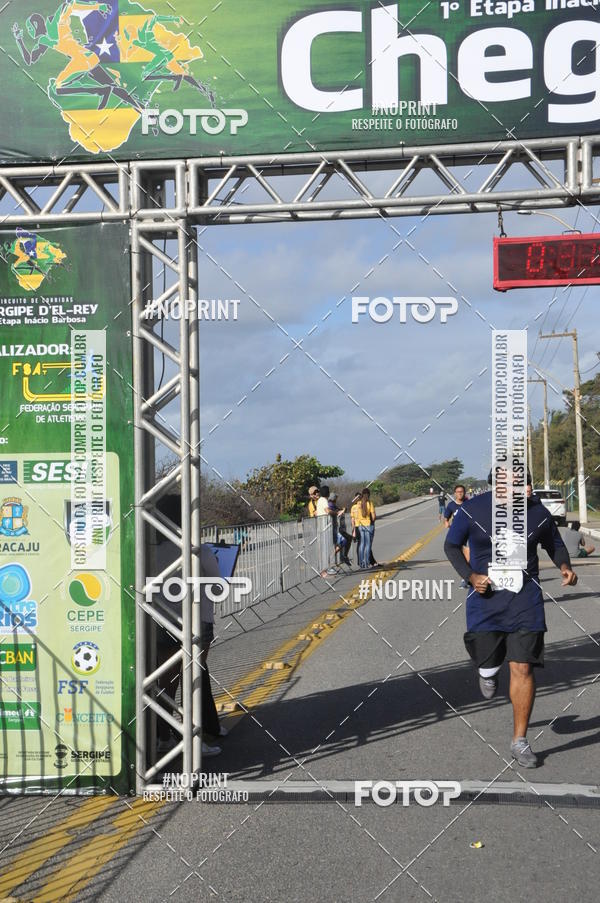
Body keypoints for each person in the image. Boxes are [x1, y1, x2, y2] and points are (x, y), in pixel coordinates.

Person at [444, 469, 577, 768]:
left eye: (520, 482)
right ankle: (487, 670)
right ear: (494, 485)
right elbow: (451, 545)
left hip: (525, 600)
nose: (516, 488)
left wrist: (564, 566)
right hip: (485, 601)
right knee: (489, 664)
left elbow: (553, 543)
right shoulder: (472, 509)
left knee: (523, 668)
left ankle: (520, 740)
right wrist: (470, 575)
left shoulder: (537, 513)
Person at [154, 494, 225, 758]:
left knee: (166, 684)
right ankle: (194, 742)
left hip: (161, 625)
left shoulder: (149, 549)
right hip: (196, 624)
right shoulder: (198, 550)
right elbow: (218, 586)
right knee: (192, 683)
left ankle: (164, 739)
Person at [351, 488, 376, 569]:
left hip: (361, 526)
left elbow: (356, 514)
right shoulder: (370, 503)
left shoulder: (358, 504)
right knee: (368, 545)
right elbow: (373, 517)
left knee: (362, 544)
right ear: (368, 495)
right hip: (368, 525)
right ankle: (367, 562)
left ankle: (361, 563)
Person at [328, 492, 351, 566]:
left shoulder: (333, 505)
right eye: (336, 498)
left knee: (348, 539)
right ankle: (337, 556)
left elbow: (338, 509)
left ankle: (343, 556)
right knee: (344, 541)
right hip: (333, 528)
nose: (336, 500)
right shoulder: (330, 505)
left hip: (337, 528)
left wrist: (343, 509)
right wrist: (340, 512)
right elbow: (336, 512)